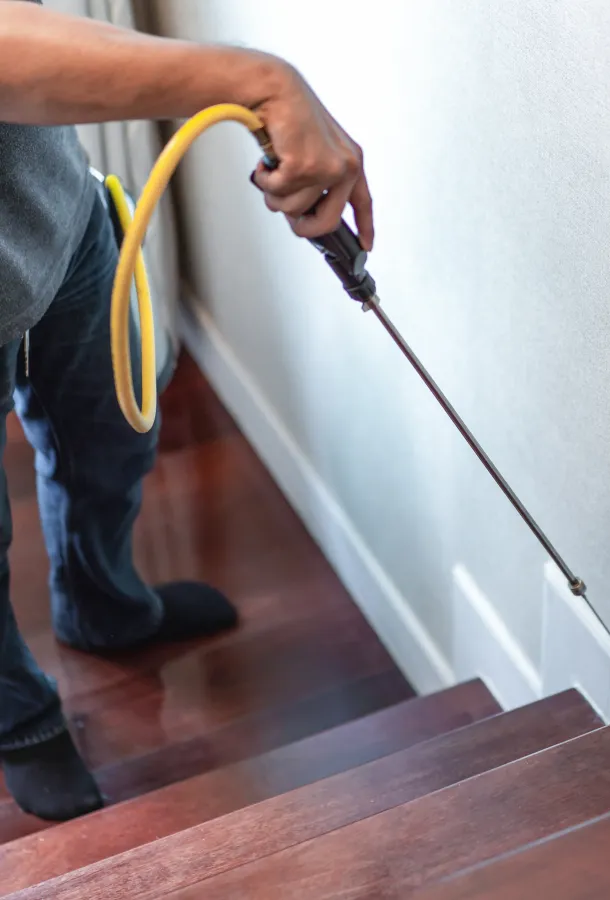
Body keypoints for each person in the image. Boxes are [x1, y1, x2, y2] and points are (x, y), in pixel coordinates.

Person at [0, 0, 374, 822]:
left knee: (111, 441)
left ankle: (102, 607)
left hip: (53, 211)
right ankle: (17, 717)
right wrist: (263, 82)